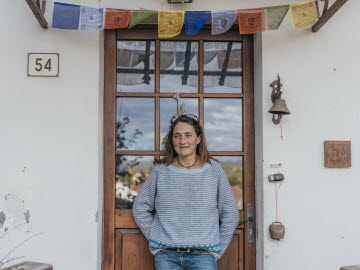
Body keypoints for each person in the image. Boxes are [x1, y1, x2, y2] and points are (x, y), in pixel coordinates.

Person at [132, 114, 239, 270]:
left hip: (203, 257)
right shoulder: (161, 171)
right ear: (172, 141)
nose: (183, 141)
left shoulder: (214, 170)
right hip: (166, 257)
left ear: (198, 139)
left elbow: (230, 212)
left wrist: (218, 249)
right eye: (177, 136)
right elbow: (140, 208)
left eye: (188, 135)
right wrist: (157, 237)